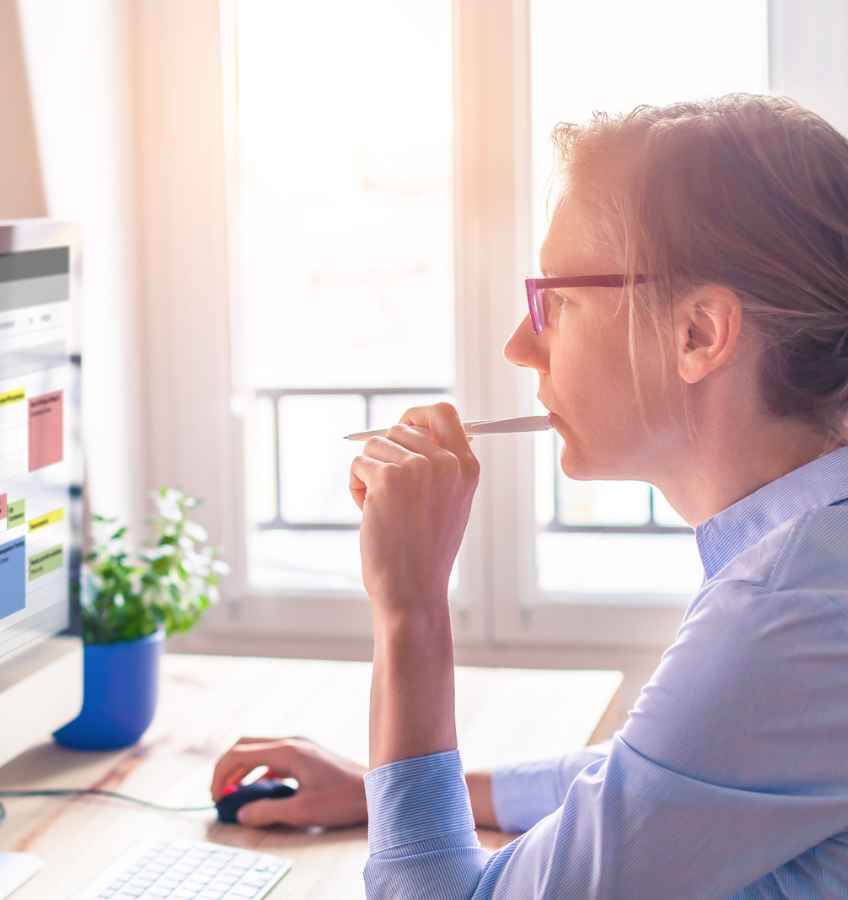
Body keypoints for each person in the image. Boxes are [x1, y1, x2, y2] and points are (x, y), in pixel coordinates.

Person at [210, 94, 848, 897]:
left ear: (699, 333)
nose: (520, 344)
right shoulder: (812, 570)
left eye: (559, 301)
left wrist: (410, 608)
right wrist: (390, 793)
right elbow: (664, 778)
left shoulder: (788, 613)